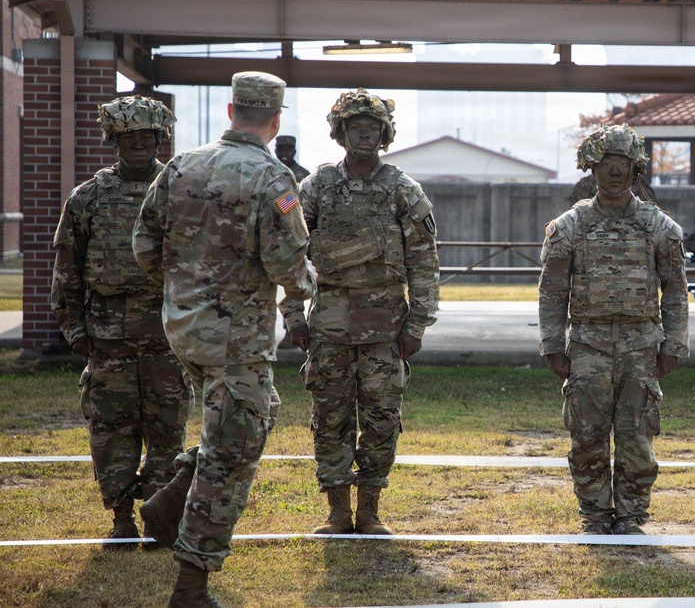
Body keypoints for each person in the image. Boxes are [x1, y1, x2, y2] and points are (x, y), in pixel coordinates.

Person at [133, 71, 316, 608]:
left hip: (185, 331)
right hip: (236, 339)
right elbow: (287, 265)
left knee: (254, 417)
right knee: (233, 455)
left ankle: (169, 501)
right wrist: (311, 282)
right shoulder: (272, 177)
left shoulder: (182, 165)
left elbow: (145, 247)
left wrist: (185, 287)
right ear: (275, 119)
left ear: (232, 111)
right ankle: (191, 585)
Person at [281, 88, 439, 537]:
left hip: (386, 329)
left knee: (381, 418)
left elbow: (424, 262)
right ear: (341, 133)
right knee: (329, 418)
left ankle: (369, 511)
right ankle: (335, 512)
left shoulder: (403, 190)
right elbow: (289, 254)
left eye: (372, 128)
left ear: (385, 134)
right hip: (328, 323)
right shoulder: (314, 188)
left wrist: (418, 325)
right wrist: (293, 317)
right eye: (355, 127)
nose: (364, 135)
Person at [50, 95, 192, 549]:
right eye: (129, 137)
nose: (138, 145)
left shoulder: (179, 194)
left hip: (167, 337)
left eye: (147, 137)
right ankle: (121, 517)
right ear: (114, 139)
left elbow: (199, 266)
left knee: (168, 430)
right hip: (108, 338)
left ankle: (159, 513)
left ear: (159, 139)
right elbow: (67, 268)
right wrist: (74, 330)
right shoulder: (88, 197)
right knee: (112, 433)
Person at [538, 124, 688, 536]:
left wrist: (673, 345)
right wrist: (552, 345)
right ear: (592, 168)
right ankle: (595, 514)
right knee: (586, 435)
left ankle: (631, 516)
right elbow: (552, 291)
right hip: (588, 346)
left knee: (637, 436)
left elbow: (675, 290)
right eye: (606, 164)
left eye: (622, 163)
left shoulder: (658, 227)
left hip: (641, 347)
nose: (615, 172)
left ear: (635, 168)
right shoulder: (570, 226)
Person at [566, 171, 658, 209]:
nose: (614, 170)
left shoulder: (639, 184)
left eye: (622, 163)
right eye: (607, 163)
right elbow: (574, 215)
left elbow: (653, 216)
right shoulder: (587, 184)